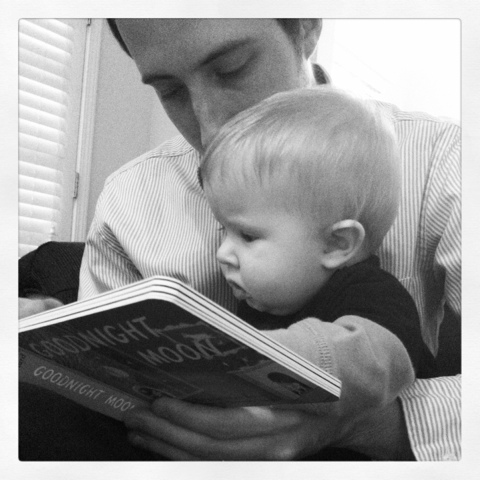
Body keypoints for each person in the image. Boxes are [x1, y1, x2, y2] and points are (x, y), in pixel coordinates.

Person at [20, 19, 460, 461]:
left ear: (306, 26)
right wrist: (53, 328)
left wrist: (359, 426)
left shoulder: (445, 158)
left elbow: (368, 355)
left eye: (232, 68)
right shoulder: (127, 196)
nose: (210, 127)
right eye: (170, 91)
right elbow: (103, 387)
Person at [199, 85, 436, 420]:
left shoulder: (375, 296)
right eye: (223, 230)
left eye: (248, 236)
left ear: (336, 244)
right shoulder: (263, 300)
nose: (223, 253)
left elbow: (367, 368)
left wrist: (238, 354)